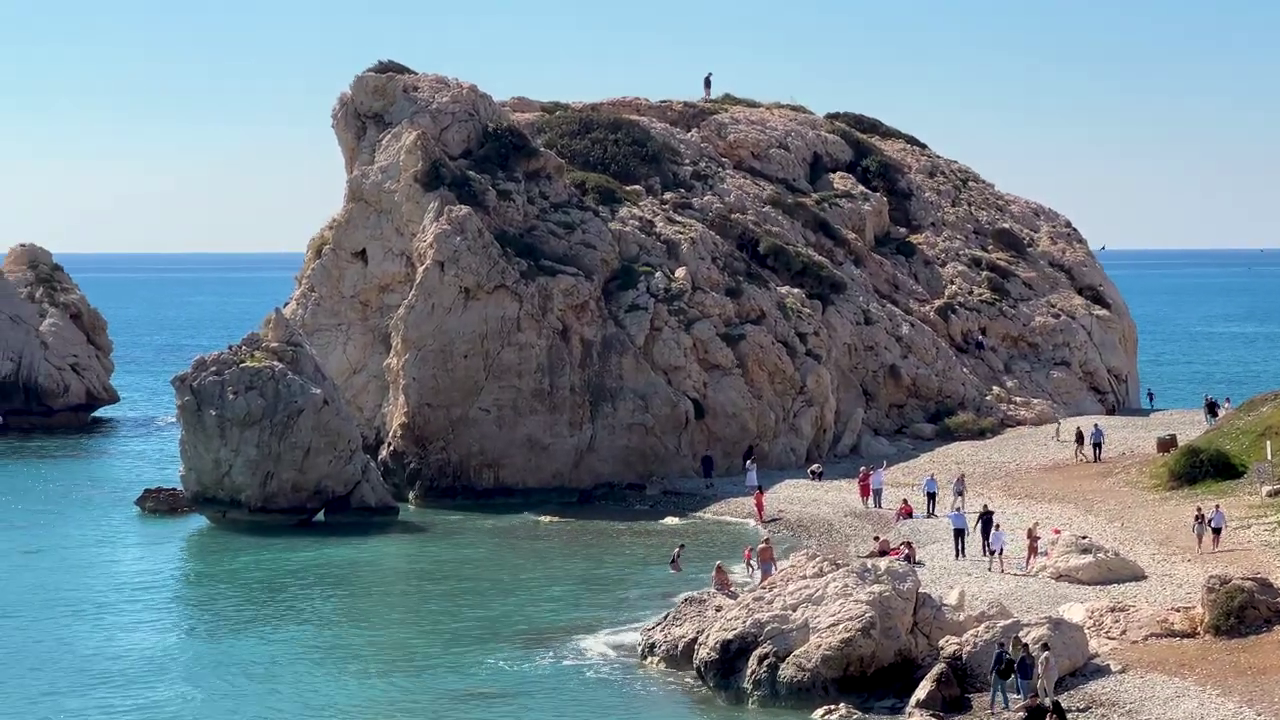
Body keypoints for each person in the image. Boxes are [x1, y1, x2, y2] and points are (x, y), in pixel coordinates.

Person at [990, 640, 1014, 712]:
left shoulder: (997, 652)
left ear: (998, 646)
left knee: (994, 690)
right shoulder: (1007, 653)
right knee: (1003, 690)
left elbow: (994, 664)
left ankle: (992, 707)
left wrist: (990, 673)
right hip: (1005, 675)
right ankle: (1006, 704)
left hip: (997, 674)